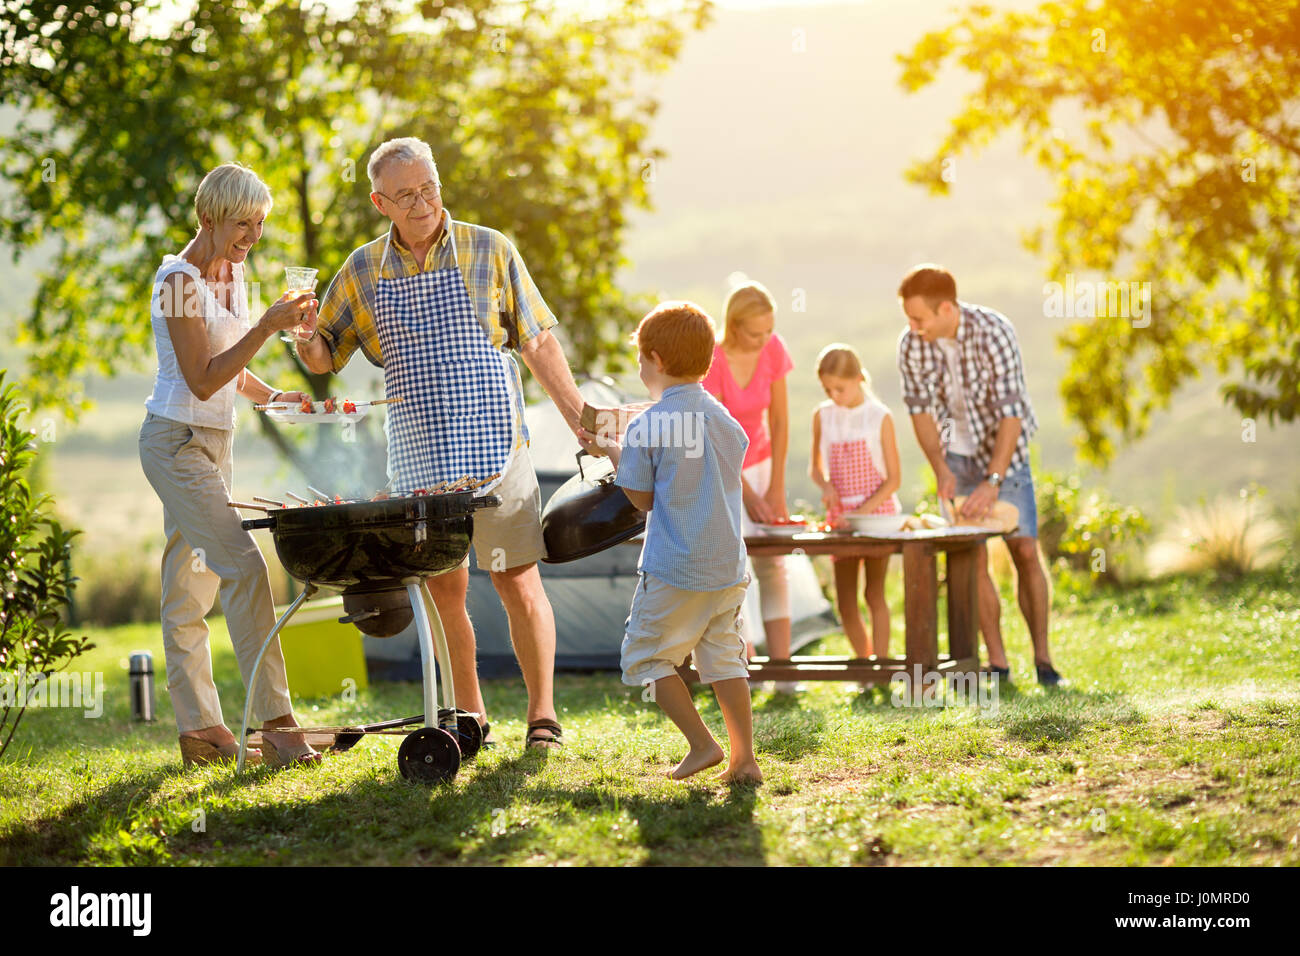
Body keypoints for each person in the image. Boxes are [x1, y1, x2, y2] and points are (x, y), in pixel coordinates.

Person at [298, 137, 587, 749]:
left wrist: (580, 418)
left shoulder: (490, 248)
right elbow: (325, 355)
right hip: (420, 456)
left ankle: (543, 716)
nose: (422, 202)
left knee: (516, 580)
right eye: (405, 194)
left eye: (428, 187)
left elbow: (537, 341)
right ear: (380, 202)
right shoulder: (363, 269)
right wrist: (301, 334)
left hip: (495, 446)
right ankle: (469, 717)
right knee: (443, 589)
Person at [138, 162, 323, 767]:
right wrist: (267, 326)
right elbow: (200, 377)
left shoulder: (234, 272)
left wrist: (272, 397)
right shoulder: (177, 281)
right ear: (209, 217)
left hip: (217, 441)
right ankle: (278, 726)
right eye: (243, 223)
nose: (253, 236)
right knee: (245, 569)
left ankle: (200, 731)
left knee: (188, 591)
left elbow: (230, 367)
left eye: (260, 223)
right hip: (175, 442)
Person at [580, 302, 761, 783]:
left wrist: (612, 449)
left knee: (644, 656)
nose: (641, 368)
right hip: (727, 565)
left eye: (641, 359)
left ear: (656, 360)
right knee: (723, 656)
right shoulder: (725, 420)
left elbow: (642, 499)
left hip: (676, 565)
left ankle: (702, 744)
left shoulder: (647, 425)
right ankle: (745, 759)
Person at [896, 264, 1062, 686]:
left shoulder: (994, 331)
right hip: (956, 457)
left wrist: (993, 481)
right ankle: (999, 664)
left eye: (918, 318)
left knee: (1025, 550)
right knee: (972, 557)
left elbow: (1012, 413)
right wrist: (940, 468)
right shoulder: (912, 344)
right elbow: (919, 410)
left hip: (1006, 456)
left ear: (946, 308)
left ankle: (1044, 662)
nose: (913, 328)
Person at [701, 279, 794, 665]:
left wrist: (775, 487)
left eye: (770, 330)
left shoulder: (773, 349)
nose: (765, 339)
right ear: (735, 326)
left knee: (773, 563)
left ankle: (783, 668)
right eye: (756, 333)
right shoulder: (714, 360)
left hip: (764, 465)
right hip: (723, 471)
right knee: (732, 566)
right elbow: (716, 435)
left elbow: (781, 420)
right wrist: (748, 494)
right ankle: (743, 666)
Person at [809, 344, 902, 659]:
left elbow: (894, 480)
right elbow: (815, 468)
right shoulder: (823, 416)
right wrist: (826, 486)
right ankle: (865, 663)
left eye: (840, 388)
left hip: (877, 516)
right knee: (846, 601)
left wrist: (861, 513)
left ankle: (882, 664)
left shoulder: (879, 417)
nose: (834, 395)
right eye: (828, 389)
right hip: (840, 517)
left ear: (859, 378)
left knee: (874, 593)